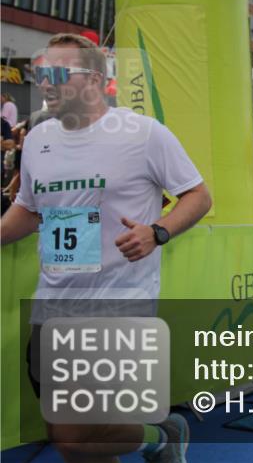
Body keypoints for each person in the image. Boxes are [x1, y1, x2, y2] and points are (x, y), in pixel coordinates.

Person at [0, 33, 212, 463]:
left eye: (58, 74)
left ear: (95, 79)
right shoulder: (38, 140)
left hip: (119, 306)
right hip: (52, 307)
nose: (44, 83)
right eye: (41, 74)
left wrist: (158, 231)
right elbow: (28, 209)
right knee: (77, 441)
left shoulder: (143, 134)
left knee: (75, 434)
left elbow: (198, 197)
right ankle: (162, 435)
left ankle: (163, 436)